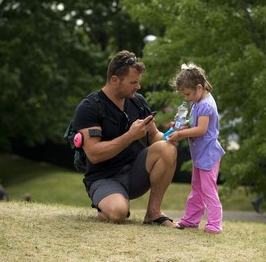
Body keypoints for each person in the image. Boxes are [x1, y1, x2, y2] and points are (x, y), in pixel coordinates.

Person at [73, 50, 178, 227]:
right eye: (133, 82)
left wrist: (173, 134)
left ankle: (153, 213)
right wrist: (130, 136)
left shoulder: (138, 102)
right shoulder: (90, 107)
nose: (138, 87)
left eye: (139, 82)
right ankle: (109, 204)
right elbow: (94, 154)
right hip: (104, 177)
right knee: (118, 214)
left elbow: (154, 137)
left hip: (135, 172)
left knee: (167, 148)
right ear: (115, 80)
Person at [167, 63, 226, 234]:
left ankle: (214, 224)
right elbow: (194, 123)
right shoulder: (196, 102)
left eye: (188, 94)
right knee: (197, 189)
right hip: (200, 155)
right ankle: (191, 219)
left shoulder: (206, 105)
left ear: (199, 88)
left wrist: (181, 135)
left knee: (208, 190)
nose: (187, 98)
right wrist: (182, 125)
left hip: (208, 154)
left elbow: (201, 129)